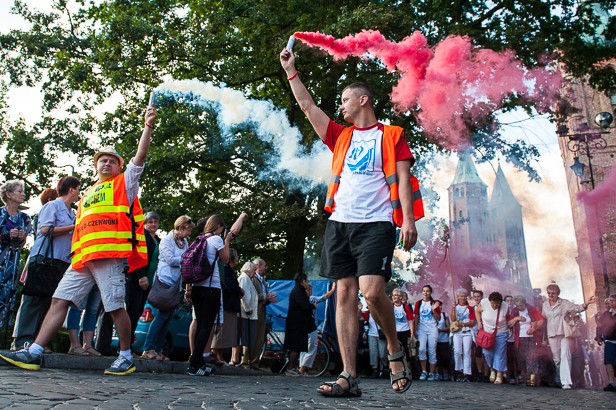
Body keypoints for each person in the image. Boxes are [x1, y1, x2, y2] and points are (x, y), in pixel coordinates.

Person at [280, 43, 423, 396]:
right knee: (344, 294)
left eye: (344, 99)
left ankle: (393, 350)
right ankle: (348, 376)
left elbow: (404, 180)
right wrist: (290, 72)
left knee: (373, 294)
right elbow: (307, 105)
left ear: (363, 101)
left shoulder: (392, 136)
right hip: (340, 224)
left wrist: (408, 221)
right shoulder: (339, 135)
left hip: (377, 224)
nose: (339, 105)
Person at [0, 104, 157, 375]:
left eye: (111, 160)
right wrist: (75, 255)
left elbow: (140, 157)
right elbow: (81, 228)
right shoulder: (86, 195)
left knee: (115, 307)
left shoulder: (125, 183)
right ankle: (34, 351)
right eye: (102, 160)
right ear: (96, 165)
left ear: (119, 166)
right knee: (59, 300)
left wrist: (147, 127)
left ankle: (125, 356)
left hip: (109, 257)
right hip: (83, 258)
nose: (106, 163)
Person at [12, 178, 78, 351]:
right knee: (34, 299)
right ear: (71, 190)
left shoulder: (72, 212)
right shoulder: (52, 206)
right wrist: (73, 227)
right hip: (44, 259)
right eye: (78, 189)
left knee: (49, 302)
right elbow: (45, 230)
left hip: (61, 261)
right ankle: (22, 340)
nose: (79, 193)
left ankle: (37, 342)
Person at [186, 214, 246, 376]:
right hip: (211, 288)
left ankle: (197, 361)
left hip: (197, 287)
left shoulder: (199, 240)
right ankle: (195, 364)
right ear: (218, 227)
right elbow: (225, 260)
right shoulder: (216, 240)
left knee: (200, 325)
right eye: (222, 228)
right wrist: (226, 241)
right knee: (207, 326)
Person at [142, 216, 194, 360]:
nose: (189, 233)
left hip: (176, 284)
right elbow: (171, 260)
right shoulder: (167, 240)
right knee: (162, 315)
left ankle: (158, 349)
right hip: (165, 281)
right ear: (180, 228)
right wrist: (187, 259)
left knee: (169, 317)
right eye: (188, 230)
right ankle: (148, 347)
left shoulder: (184, 242)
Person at [541, 282, 597, 389]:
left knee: (565, 355)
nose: (551, 295)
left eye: (553, 293)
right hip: (552, 334)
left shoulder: (564, 303)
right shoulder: (545, 305)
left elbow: (577, 308)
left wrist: (587, 303)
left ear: (558, 294)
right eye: (549, 293)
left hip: (565, 334)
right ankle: (561, 377)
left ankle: (566, 382)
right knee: (557, 359)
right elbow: (543, 318)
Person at [126, 211, 161, 354]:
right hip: (136, 280)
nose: (153, 224)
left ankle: (128, 346)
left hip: (149, 282)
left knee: (138, 312)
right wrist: (141, 275)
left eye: (155, 222)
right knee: (132, 313)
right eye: (150, 222)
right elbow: (137, 256)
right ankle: (126, 347)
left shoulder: (157, 240)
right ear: (145, 224)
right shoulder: (142, 237)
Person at [0, 180, 32, 331]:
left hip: (12, 263)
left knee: (8, 296)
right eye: (19, 191)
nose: (23, 194)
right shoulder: (0, 213)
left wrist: (20, 236)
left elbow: (22, 244)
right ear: (8, 194)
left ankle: (3, 334)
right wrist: (6, 235)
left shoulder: (25, 218)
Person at [242, 258, 277, 370]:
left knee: (260, 337)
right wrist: (264, 297)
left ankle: (255, 362)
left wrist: (268, 299)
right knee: (252, 335)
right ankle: (247, 361)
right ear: (258, 266)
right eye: (264, 265)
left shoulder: (262, 280)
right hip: (254, 310)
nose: (265, 268)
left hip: (261, 310)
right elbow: (252, 294)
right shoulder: (253, 278)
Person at [211, 248, 244, 366]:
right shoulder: (225, 269)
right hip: (226, 304)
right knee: (221, 331)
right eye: (236, 257)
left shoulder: (227, 270)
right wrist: (239, 289)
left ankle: (219, 355)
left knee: (224, 332)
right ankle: (216, 354)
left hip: (229, 304)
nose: (237, 259)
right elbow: (229, 285)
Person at [507, 295, 545, 387]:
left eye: (521, 305)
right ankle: (527, 378)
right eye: (518, 306)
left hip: (531, 337)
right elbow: (509, 324)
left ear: (524, 303)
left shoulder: (531, 309)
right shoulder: (515, 311)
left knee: (532, 358)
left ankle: (532, 380)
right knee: (522, 359)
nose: (520, 307)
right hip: (519, 338)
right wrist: (517, 318)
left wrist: (533, 329)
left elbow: (541, 320)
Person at [299, 282, 336, 375]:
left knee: (303, 349)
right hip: (311, 326)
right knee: (312, 348)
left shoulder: (299, 300)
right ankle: (302, 370)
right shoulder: (311, 299)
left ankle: (301, 369)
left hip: (302, 326)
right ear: (307, 291)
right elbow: (323, 297)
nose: (312, 291)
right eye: (310, 290)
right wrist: (332, 290)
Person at [283, 272, 316, 376]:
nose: (308, 283)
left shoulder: (298, 290)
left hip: (298, 324)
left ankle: (294, 367)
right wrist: (313, 306)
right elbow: (305, 306)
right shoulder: (298, 291)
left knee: (298, 346)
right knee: (295, 346)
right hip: (296, 324)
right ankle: (290, 368)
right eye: (307, 281)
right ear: (303, 281)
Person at [475, 291, 510, 385]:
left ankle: (499, 374)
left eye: (497, 303)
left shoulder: (505, 306)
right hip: (487, 333)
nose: (495, 305)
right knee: (487, 353)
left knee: (499, 354)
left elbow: (507, 318)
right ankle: (492, 369)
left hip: (501, 333)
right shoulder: (484, 302)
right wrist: (479, 322)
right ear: (489, 301)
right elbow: (477, 311)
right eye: (493, 303)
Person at [414, 285, 441, 381]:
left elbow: (439, 318)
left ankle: (431, 373)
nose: (425, 293)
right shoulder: (419, 303)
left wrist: (434, 310)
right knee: (421, 349)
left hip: (432, 329)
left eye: (428, 291)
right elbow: (416, 317)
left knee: (432, 351)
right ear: (422, 292)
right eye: (424, 291)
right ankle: (424, 371)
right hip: (422, 329)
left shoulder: (435, 303)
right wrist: (414, 330)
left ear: (430, 292)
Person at [65, 286, 102, 356]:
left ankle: (88, 345)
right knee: (77, 307)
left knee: (92, 310)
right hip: (84, 277)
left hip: (99, 278)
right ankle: (74, 345)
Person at [451, 288, 476, 382]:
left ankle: (467, 372)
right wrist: (453, 307)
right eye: (461, 296)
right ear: (458, 297)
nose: (463, 298)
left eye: (464, 296)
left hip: (467, 332)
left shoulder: (469, 308)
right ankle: (458, 370)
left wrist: (463, 324)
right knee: (457, 351)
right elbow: (453, 318)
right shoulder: (455, 307)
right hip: (457, 332)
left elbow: (473, 322)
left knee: (467, 352)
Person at [238, 262, 258, 366]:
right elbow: (245, 294)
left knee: (247, 336)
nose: (255, 272)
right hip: (246, 313)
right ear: (248, 269)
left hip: (247, 313)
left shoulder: (247, 278)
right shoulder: (244, 278)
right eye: (254, 270)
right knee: (245, 336)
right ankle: (244, 360)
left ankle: (245, 360)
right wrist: (248, 308)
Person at [596, 294, 616, 392]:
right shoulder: (606, 314)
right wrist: (599, 337)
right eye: (610, 300)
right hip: (609, 340)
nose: (611, 302)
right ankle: (611, 383)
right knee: (608, 361)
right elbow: (600, 326)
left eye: (613, 300)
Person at [471, 289, 490, 382]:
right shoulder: (472, 308)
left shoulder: (487, 307)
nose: (477, 298)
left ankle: (486, 374)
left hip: (486, 332)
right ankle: (480, 372)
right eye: (475, 297)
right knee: (478, 353)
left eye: (478, 296)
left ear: (481, 297)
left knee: (486, 353)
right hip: (477, 333)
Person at [392, 288, 414, 369]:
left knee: (406, 351)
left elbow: (410, 321)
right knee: (394, 351)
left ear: (401, 297)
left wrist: (412, 334)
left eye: (396, 295)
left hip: (405, 331)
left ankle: (407, 368)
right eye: (393, 295)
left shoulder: (405, 307)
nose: (394, 297)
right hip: (395, 332)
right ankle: (396, 368)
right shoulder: (391, 307)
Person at [436, 299, 451, 381]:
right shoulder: (432, 315)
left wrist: (440, 330)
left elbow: (448, 327)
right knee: (436, 356)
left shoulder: (444, 315)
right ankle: (436, 372)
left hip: (443, 339)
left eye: (440, 305)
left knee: (444, 357)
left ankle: (444, 372)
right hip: (435, 339)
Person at [504, 295, 517, 384]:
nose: (510, 302)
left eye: (511, 301)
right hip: (506, 337)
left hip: (515, 337)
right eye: (508, 301)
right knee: (508, 358)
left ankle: (518, 374)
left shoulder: (516, 311)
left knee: (516, 357)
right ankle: (509, 375)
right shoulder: (503, 312)